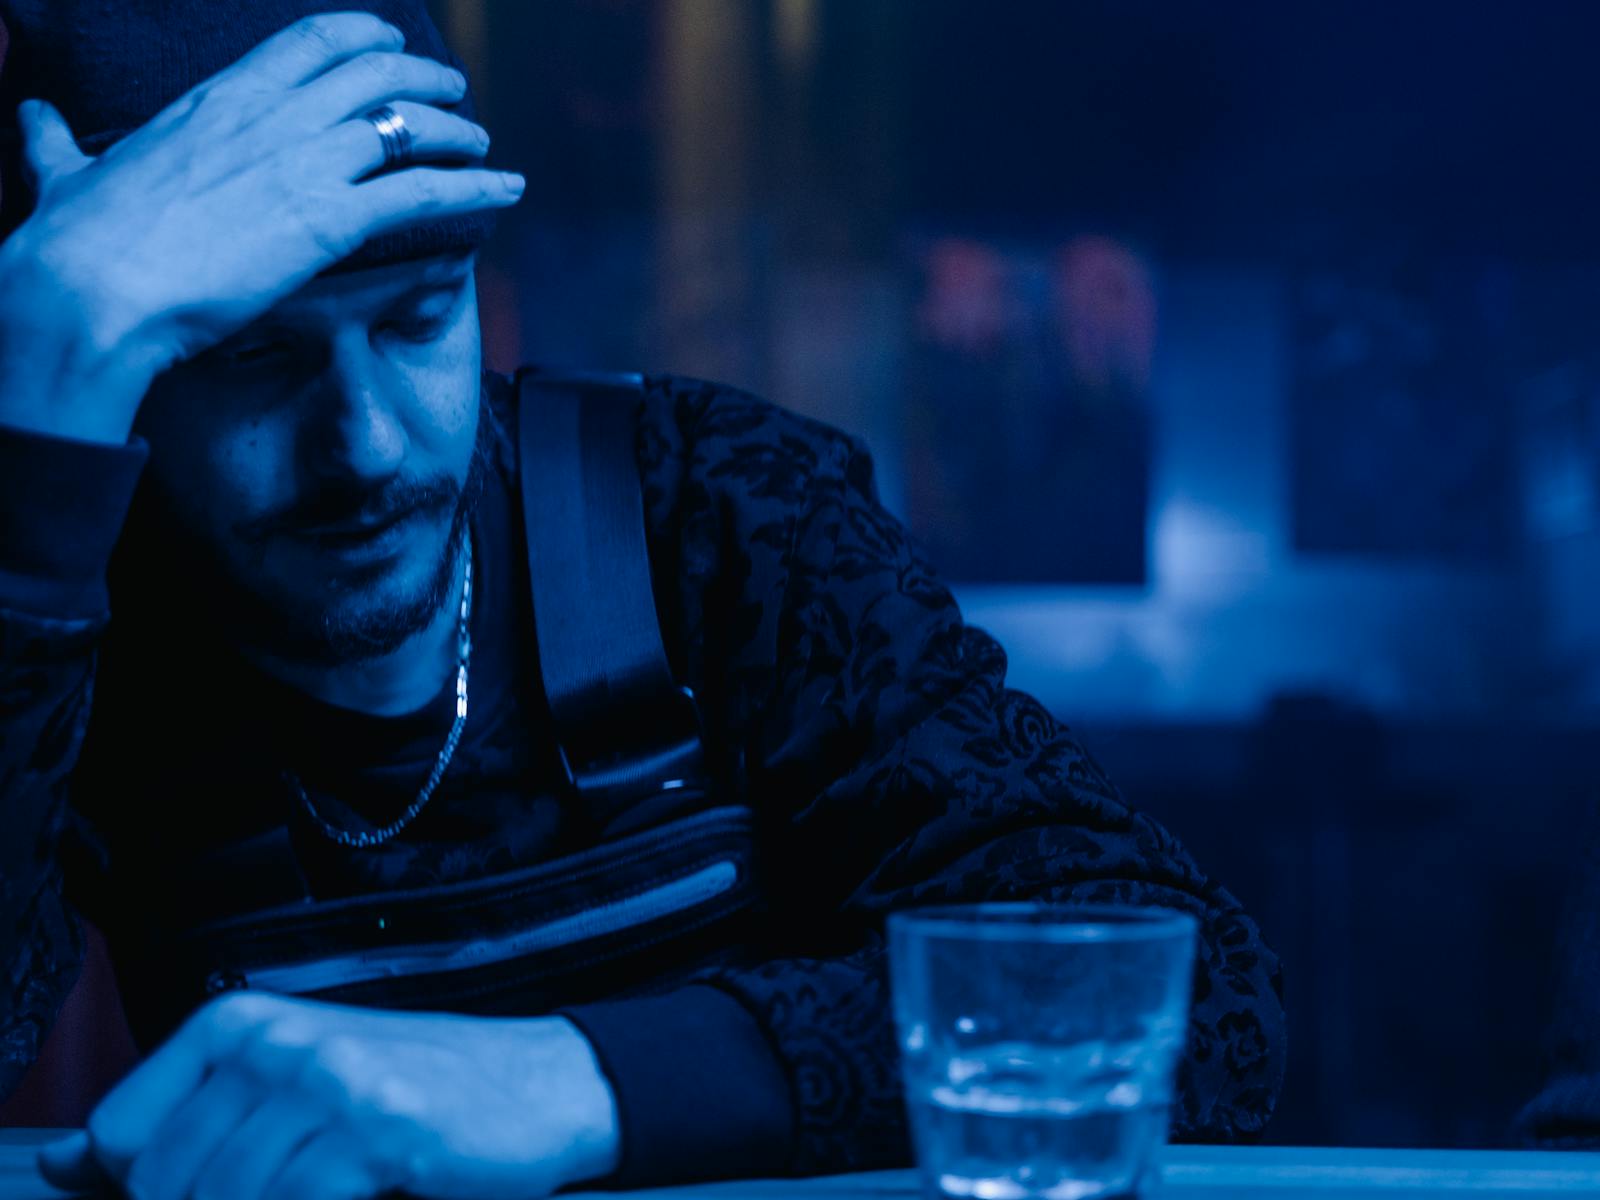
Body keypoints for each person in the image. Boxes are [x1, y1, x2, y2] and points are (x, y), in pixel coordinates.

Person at [0, 2, 1287, 1197]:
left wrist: (570, 1077)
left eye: (415, 319)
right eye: (248, 355)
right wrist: (39, 427)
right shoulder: (77, 606)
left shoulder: (706, 508)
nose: (368, 447)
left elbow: (1182, 996)